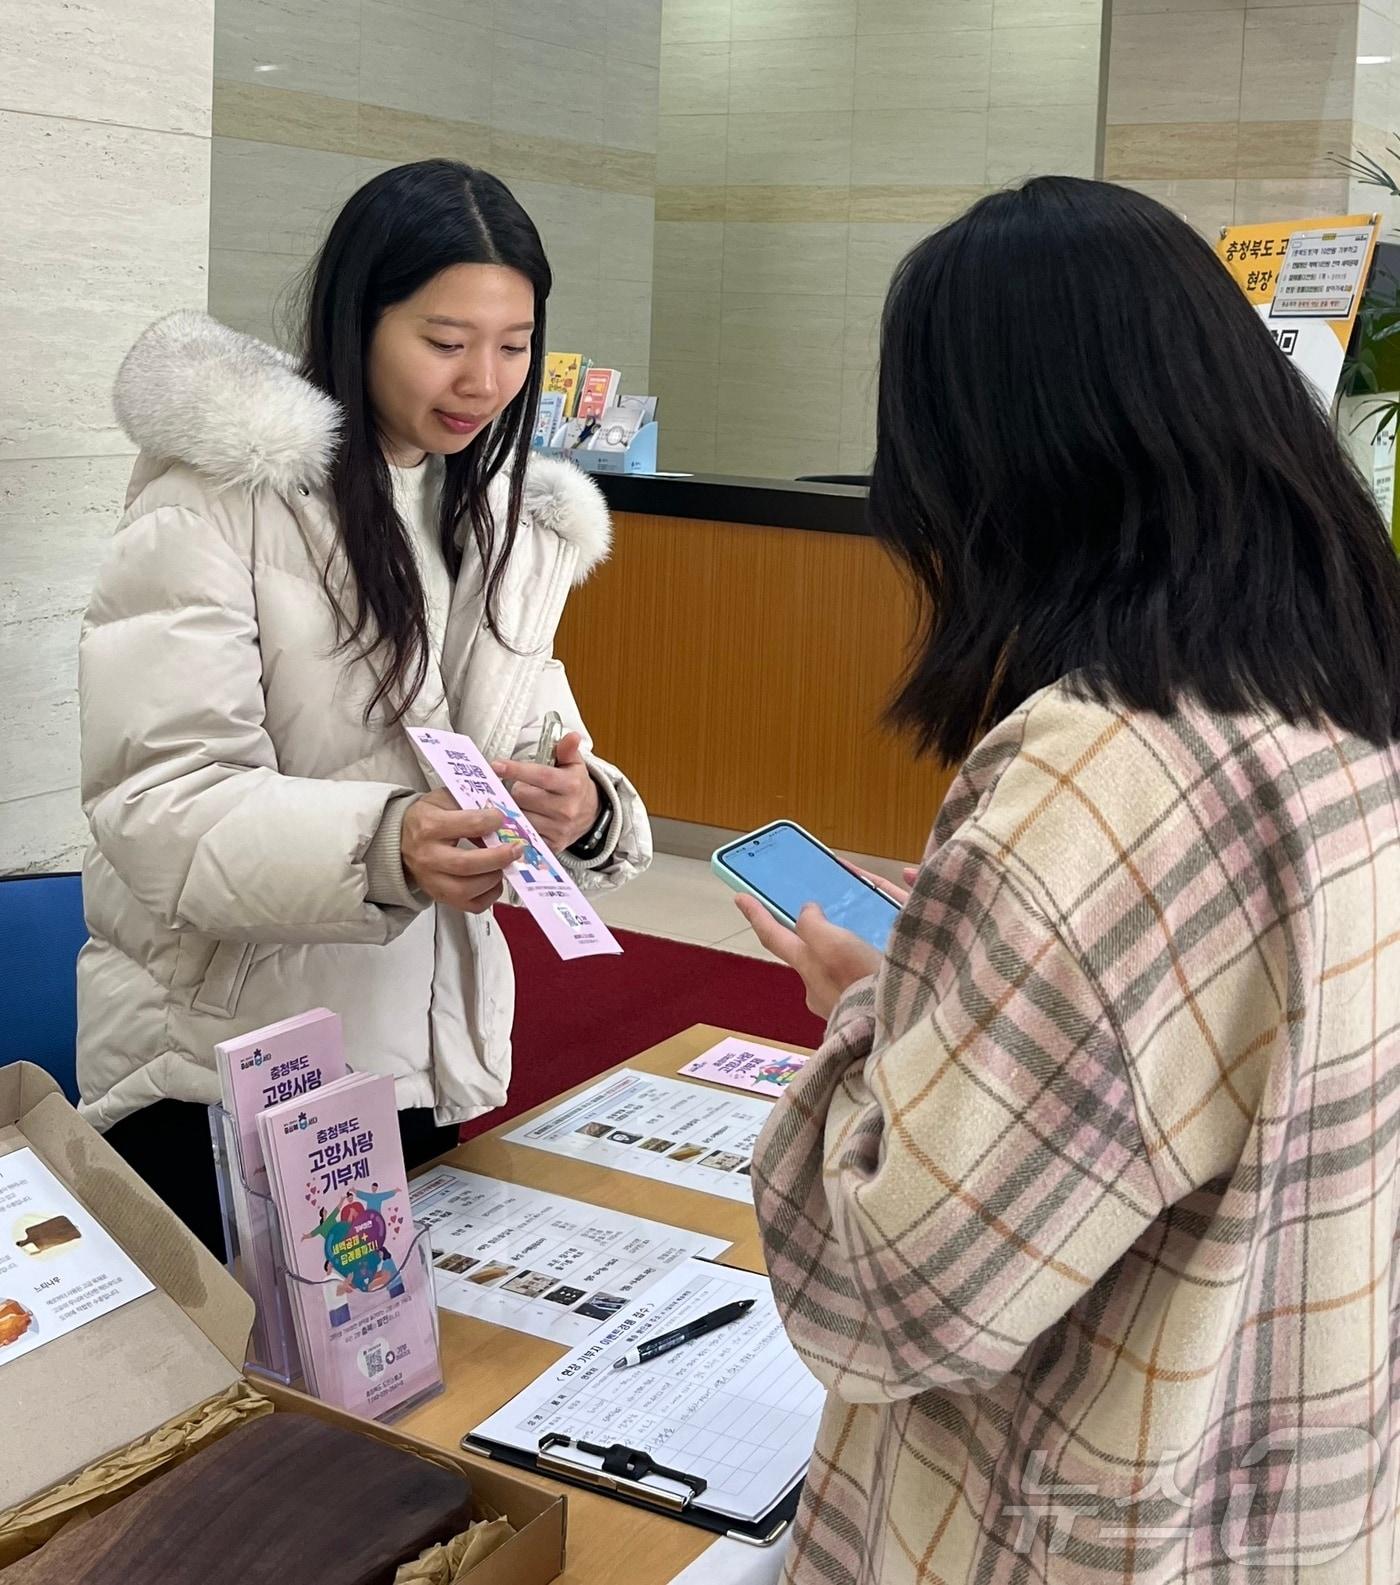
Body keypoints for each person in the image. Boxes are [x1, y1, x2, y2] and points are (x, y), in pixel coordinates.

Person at [738, 177, 1400, 1582]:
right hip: (1294, 1484)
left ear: (995, 462)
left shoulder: (1104, 775)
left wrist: (877, 1014)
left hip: (1078, 1524)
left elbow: (889, 1287)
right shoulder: (1350, 703)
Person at [78, 159, 652, 1255]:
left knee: (410, 1393)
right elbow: (157, 804)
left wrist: (585, 806)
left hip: (420, 1050)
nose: (482, 378)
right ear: (360, 317)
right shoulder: (217, 502)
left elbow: (531, 743)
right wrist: (387, 844)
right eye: (444, 340)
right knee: (259, 1412)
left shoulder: (503, 515)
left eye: (513, 343)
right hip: (222, 1062)